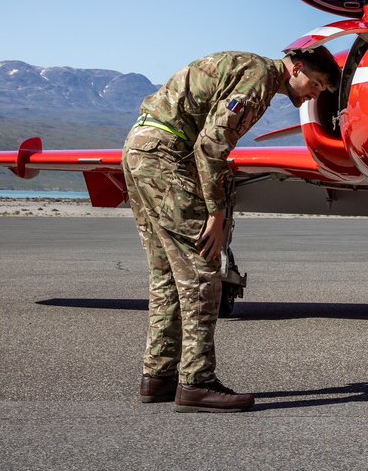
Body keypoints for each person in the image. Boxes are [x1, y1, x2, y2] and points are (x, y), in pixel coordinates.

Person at [122, 48, 340, 412]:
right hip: (165, 156)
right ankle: (196, 382)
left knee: (165, 274)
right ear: (297, 69)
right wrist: (217, 213)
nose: (314, 95)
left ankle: (158, 376)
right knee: (202, 273)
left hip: (139, 149)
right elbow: (210, 148)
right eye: (315, 84)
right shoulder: (259, 80)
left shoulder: (247, 66)